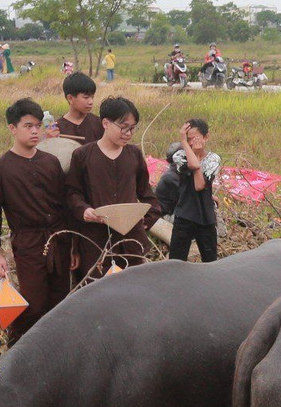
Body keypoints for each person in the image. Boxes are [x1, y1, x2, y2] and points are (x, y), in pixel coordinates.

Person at [0, 99, 73, 339]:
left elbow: (63, 206)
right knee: (34, 303)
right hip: (28, 242)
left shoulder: (50, 162)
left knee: (61, 300)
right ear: (12, 128)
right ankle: (17, 348)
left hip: (59, 239)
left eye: (38, 126)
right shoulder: (1, 168)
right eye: (28, 126)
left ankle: (56, 349)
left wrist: (72, 244)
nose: (35, 131)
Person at [66, 96, 158, 274]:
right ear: (106, 123)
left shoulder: (134, 155)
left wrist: (145, 220)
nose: (128, 134)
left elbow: (147, 195)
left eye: (132, 129)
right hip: (96, 243)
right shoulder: (83, 156)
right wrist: (84, 210)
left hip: (131, 242)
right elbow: (72, 192)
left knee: (133, 289)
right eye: (123, 128)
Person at [163, 118, 220, 263]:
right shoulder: (180, 156)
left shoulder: (213, 159)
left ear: (206, 137)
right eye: (188, 139)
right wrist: (188, 147)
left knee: (210, 260)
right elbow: (193, 166)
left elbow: (199, 185)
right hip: (185, 214)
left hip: (205, 216)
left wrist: (196, 159)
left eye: (195, 138)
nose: (191, 142)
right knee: (176, 261)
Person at [56, 72, 103, 145]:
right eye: (86, 97)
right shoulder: (58, 128)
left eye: (92, 97)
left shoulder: (98, 123)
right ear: (70, 98)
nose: (91, 102)